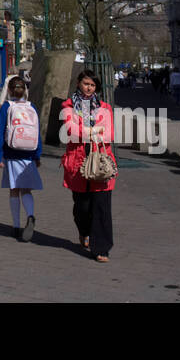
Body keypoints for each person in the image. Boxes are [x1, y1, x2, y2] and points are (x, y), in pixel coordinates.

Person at [61, 72, 116, 262]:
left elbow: (109, 134)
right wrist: (94, 130)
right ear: (78, 83)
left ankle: (101, 248)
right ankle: (84, 231)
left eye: (92, 85)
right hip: (78, 163)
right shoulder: (69, 106)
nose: (89, 88)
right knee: (82, 207)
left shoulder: (105, 108)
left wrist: (87, 131)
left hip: (101, 163)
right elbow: (72, 131)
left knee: (102, 207)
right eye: (86, 84)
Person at [0, 76, 42, 241]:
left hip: (12, 153)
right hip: (29, 154)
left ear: (9, 90)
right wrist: (37, 155)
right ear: (25, 90)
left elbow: (1, 132)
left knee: (14, 190)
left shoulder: (7, 107)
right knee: (26, 190)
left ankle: (16, 225)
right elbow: (37, 132)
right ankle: (30, 215)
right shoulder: (32, 107)